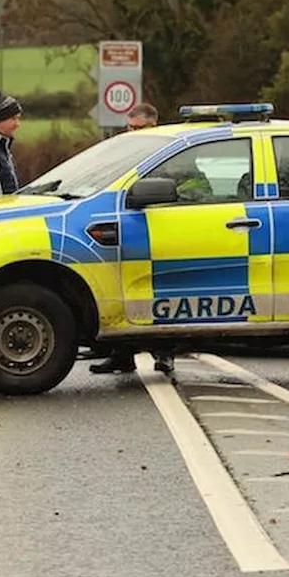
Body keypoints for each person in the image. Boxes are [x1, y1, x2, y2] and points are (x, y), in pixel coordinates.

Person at [87, 103, 178, 375]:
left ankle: (165, 354)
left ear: (155, 126)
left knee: (160, 296)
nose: (134, 133)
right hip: (131, 235)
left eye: (140, 128)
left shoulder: (171, 158)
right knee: (123, 294)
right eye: (131, 127)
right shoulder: (124, 156)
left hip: (162, 234)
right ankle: (121, 356)